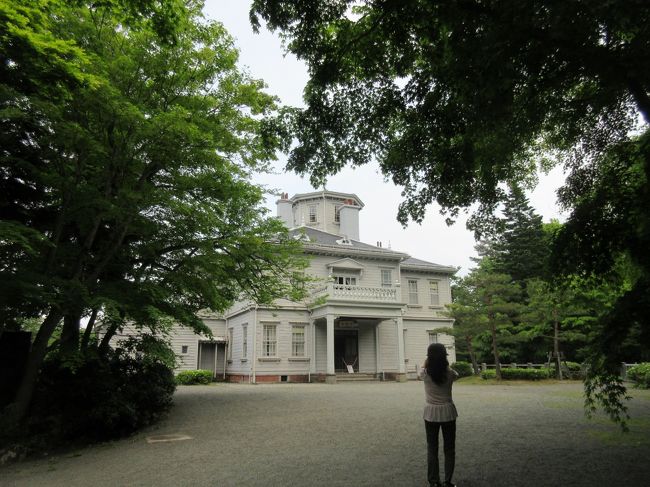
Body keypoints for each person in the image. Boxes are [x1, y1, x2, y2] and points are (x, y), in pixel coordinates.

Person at [418, 343, 459, 487]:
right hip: (448, 412)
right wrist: (445, 364)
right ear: (444, 358)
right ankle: (448, 481)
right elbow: (455, 374)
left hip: (430, 413)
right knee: (449, 449)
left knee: (432, 448)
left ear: (429, 357)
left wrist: (427, 362)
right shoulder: (450, 373)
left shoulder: (425, 374)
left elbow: (422, 370)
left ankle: (434, 481)